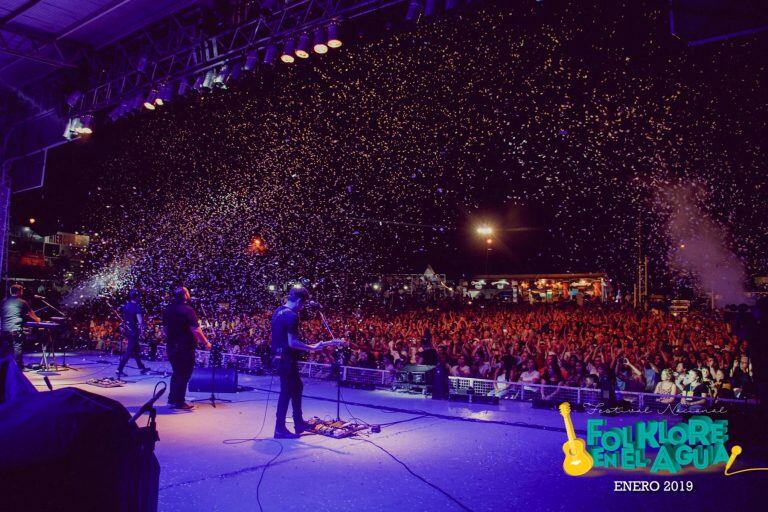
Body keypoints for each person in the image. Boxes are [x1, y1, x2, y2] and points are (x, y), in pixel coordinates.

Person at [270, 286, 341, 439]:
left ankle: (299, 423)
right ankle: (279, 429)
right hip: (287, 359)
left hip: (279, 357)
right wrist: (312, 348)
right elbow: (292, 342)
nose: (302, 308)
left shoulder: (278, 311)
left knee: (297, 387)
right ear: (300, 301)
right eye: (303, 304)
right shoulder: (292, 316)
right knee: (286, 392)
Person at [162, 286, 211, 410]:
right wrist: (206, 343)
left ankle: (172, 400)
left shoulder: (168, 309)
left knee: (177, 373)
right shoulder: (188, 310)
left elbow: (165, 329)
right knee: (184, 374)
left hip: (172, 346)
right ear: (185, 295)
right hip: (185, 348)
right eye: (188, 292)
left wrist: (173, 339)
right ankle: (178, 401)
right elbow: (195, 329)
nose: (189, 294)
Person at [0, 284, 40, 369]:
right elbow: (31, 314)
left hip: (3, 329)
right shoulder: (22, 302)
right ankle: (17, 367)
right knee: (17, 347)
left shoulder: (3, 301)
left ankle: (3, 366)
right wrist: (37, 319)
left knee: (3, 348)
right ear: (19, 291)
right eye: (22, 291)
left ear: (11, 291)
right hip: (15, 329)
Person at [116, 289, 150, 378]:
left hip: (128, 330)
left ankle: (141, 368)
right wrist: (143, 329)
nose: (140, 298)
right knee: (129, 351)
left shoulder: (126, 306)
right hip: (134, 332)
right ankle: (119, 369)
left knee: (136, 350)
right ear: (136, 297)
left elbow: (125, 318)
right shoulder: (136, 307)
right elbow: (140, 321)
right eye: (139, 296)